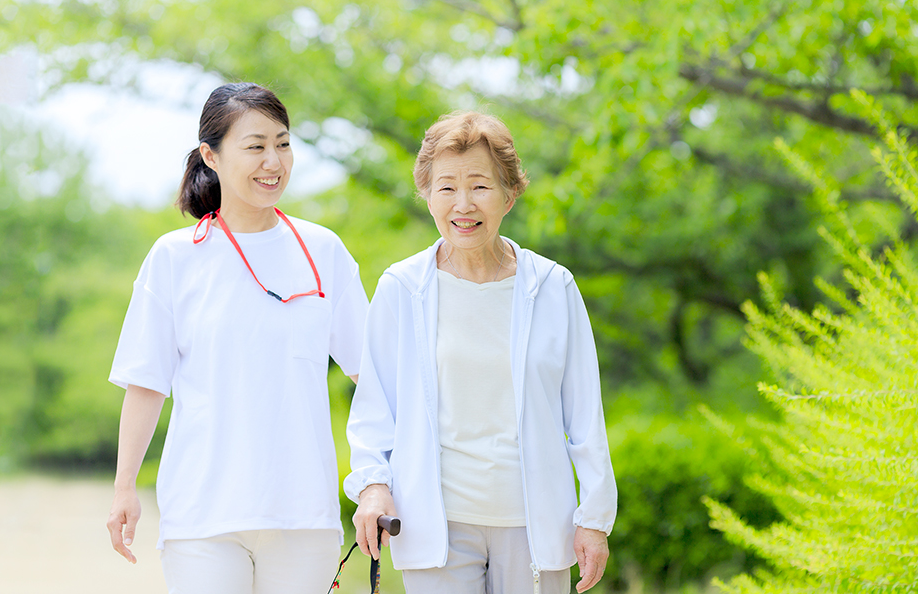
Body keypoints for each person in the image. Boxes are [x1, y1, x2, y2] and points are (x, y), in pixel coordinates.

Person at [105, 82, 369, 594]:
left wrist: (381, 480)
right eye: (255, 146)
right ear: (212, 155)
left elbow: (374, 376)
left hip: (303, 515)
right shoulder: (174, 257)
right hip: (203, 515)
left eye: (283, 143)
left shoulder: (323, 250)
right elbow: (145, 382)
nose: (274, 160)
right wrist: (124, 488)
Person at [345, 111, 616, 593]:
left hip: (534, 527)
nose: (463, 204)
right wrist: (372, 486)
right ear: (426, 194)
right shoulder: (401, 288)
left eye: (480, 187)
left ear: (509, 195)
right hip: (437, 525)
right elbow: (374, 409)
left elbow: (585, 415)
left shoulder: (553, 287)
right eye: (446, 187)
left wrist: (594, 518)